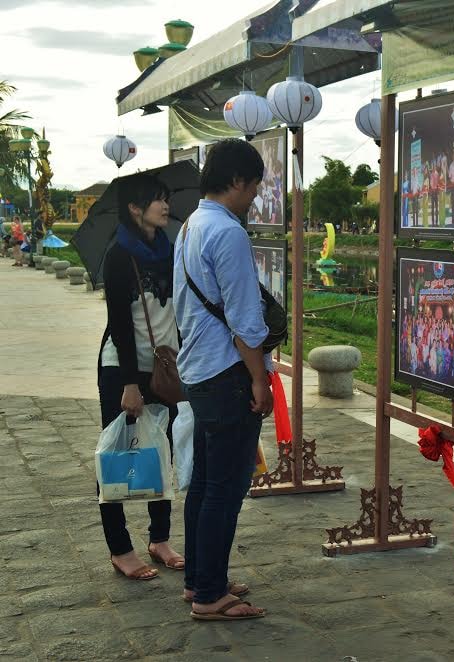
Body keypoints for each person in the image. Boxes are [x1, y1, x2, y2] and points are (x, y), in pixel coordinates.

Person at [173, 138, 272, 621]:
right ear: (236, 181)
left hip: (198, 370)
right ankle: (211, 594)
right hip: (228, 373)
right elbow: (245, 320)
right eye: (253, 186)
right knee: (224, 491)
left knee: (204, 486)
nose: (254, 195)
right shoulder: (229, 233)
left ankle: (199, 579)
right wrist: (260, 380)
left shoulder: (191, 224)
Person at [98, 175, 184, 582]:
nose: (164, 207)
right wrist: (130, 384)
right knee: (117, 454)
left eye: (166, 200)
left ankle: (160, 539)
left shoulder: (168, 250)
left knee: (162, 450)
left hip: (163, 368)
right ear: (135, 208)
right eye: (156, 201)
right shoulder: (119, 256)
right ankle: (120, 548)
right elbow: (119, 324)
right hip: (123, 369)